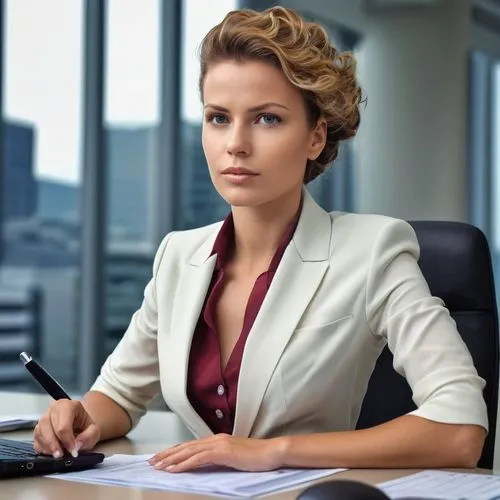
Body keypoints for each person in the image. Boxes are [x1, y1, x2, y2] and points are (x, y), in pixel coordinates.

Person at [34, 6, 487, 472]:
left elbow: (459, 429)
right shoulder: (179, 255)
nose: (236, 143)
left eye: (267, 119)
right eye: (218, 118)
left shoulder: (374, 250)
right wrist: (79, 415)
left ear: (315, 137)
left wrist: (271, 452)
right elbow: (120, 395)